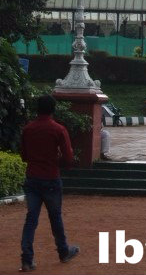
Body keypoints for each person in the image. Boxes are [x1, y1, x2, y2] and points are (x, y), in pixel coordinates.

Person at [20, 95, 79, 272]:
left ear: (37, 109)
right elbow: (68, 158)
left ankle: (27, 259)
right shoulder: (58, 129)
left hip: (32, 178)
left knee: (31, 219)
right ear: (53, 110)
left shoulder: (28, 129)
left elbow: (24, 156)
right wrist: (57, 161)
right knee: (55, 217)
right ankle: (63, 251)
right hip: (51, 178)